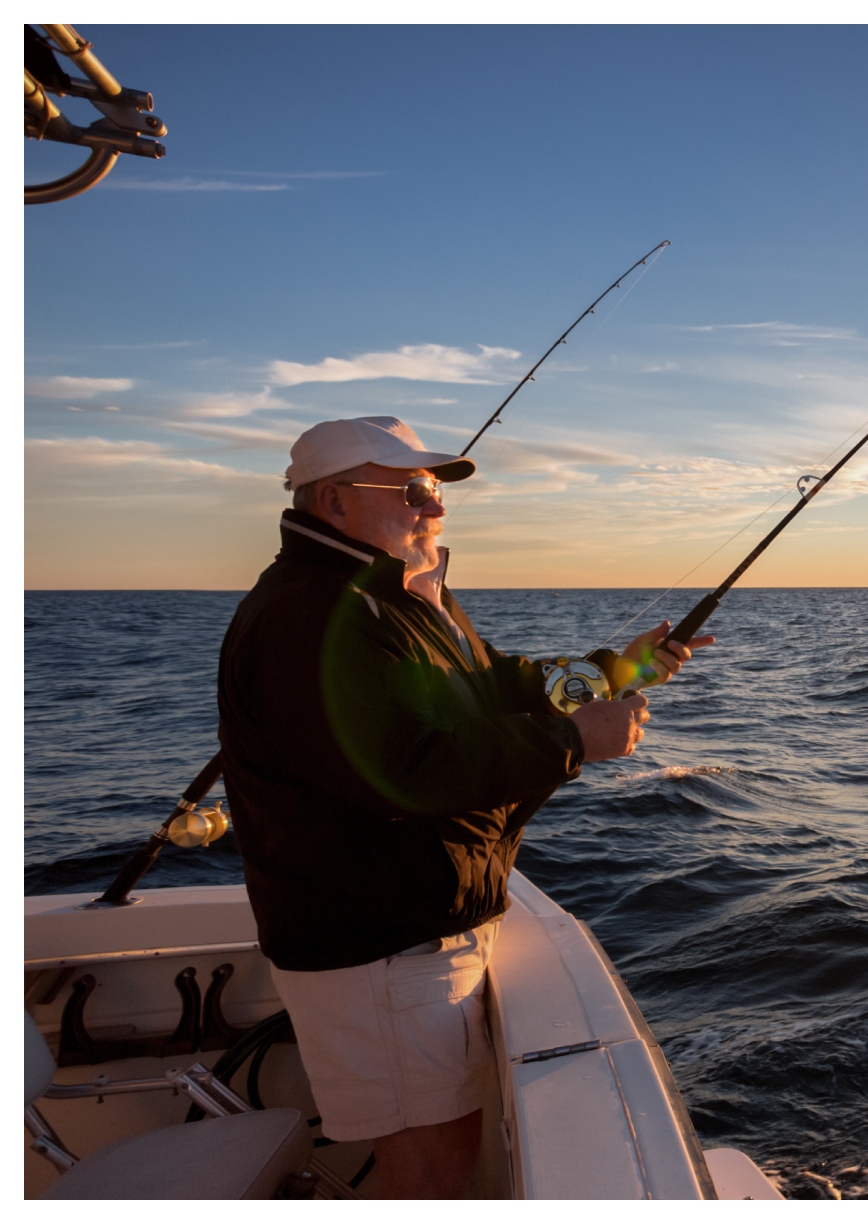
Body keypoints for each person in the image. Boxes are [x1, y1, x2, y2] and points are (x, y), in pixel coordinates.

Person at [215, 416, 713, 1197]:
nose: (434, 509)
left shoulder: (393, 599)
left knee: (440, 1153)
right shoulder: (312, 618)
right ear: (336, 501)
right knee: (430, 1167)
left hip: (410, 932)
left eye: (439, 494)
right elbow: (400, 774)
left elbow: (493, 691)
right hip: (381, 945)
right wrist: (572, 742)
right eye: (415, 490)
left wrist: (620, 669)